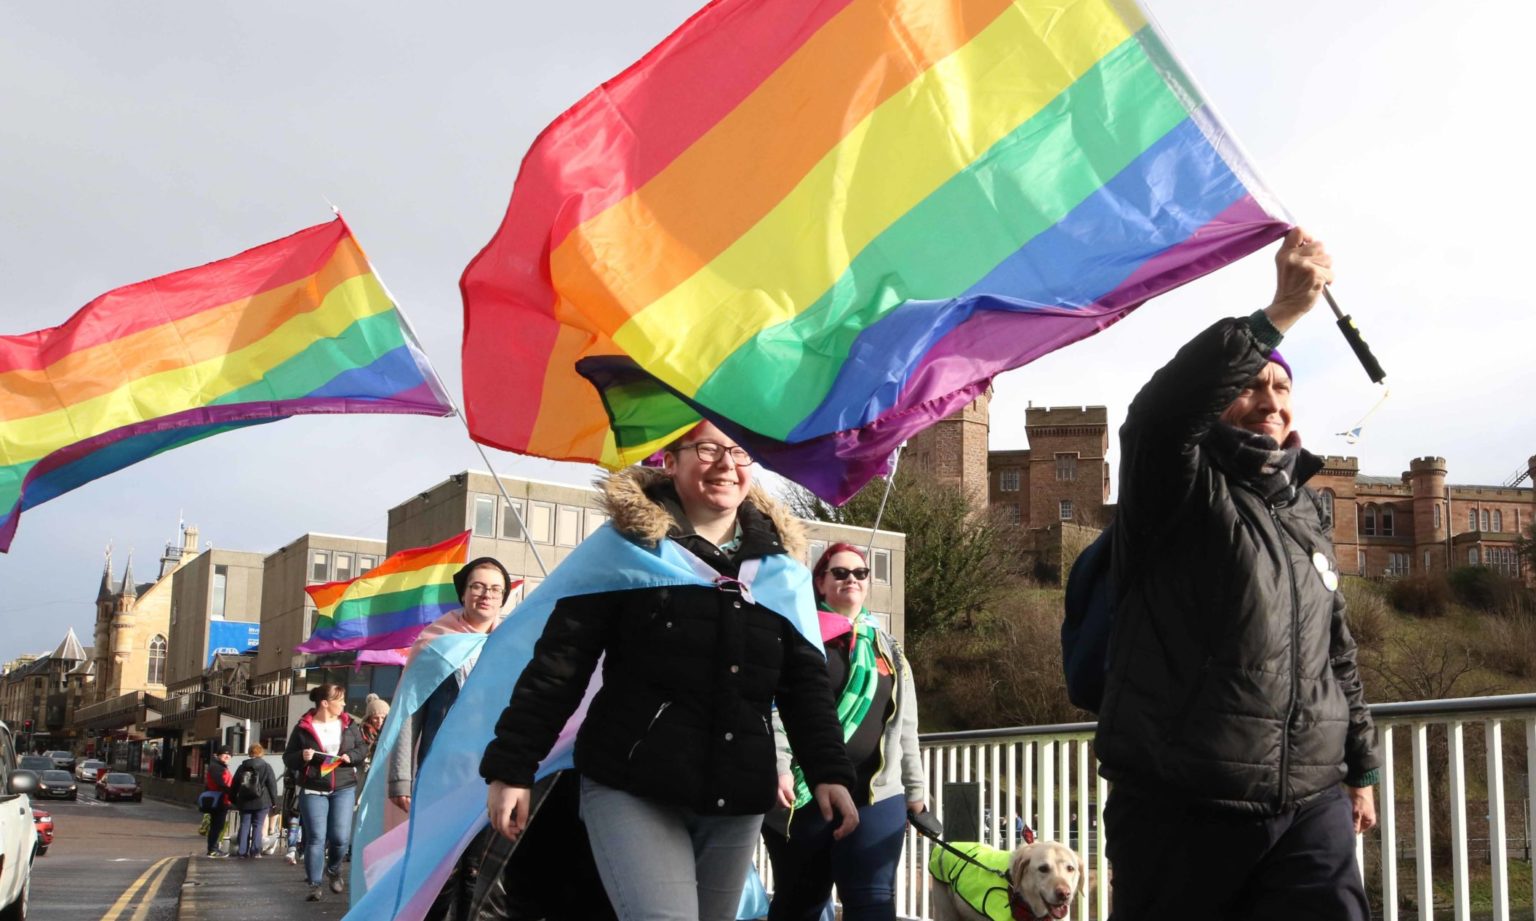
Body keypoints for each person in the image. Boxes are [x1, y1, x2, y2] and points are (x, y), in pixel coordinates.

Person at [1094, 228, 1381, 920]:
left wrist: (1361, 767)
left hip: (1309, 803)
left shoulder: (1307, 512)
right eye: (1252, 383)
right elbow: (1160, 416)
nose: (1271, 397)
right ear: (1221, 398)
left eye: (1283, 386)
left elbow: (1336, 654)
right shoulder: (1179, 485)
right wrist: (1275, 316)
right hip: (1183, 801)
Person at [481, 421, 860, 921]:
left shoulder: (780, 570)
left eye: (740, 452)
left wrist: (830, 771)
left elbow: (804, 684)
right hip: (632, 786)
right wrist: (512, 767)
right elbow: (560, 665)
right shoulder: (624, 551)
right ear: (672, 459)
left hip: (737, 797)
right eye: (707, 449)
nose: (726, 464)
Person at [762, 543, 926, 921]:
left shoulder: (890, 650)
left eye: (860, 572)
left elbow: (906, 728)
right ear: (820, 582)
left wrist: (916, 795)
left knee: (873, 903)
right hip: (803, 792)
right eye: (840, 572)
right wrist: (780, 766)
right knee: (801, 900)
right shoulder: (799, 636)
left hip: (877, 793)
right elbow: (778, 709)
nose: (851, 578)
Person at [372, 557, 512, 920]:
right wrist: (400, 776)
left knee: (478, 870)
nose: (486, 595)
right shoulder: (435, 643)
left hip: (492, 773)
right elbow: (409, 709)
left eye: (495, 589)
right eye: (478, 586)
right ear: (464, 593)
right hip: (443, 775)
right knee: (439, 869)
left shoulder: (514, 641)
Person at [283, 683, 368, 902]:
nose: (344, 704)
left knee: (340, 838)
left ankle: (333, 869)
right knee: (316, 838)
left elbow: (362, 749)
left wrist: (352, 756)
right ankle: (314, 884)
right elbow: (288, 756)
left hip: (343, 787)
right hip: (313, 787)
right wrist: (301, 756)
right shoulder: (303, 727)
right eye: (339, 700)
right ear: (325, 703)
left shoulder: (349, 724)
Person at [230, 743, 280, 858]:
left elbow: (234, 784)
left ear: (249, 752)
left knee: (244, 824)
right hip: (262, 802)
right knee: (258, 825)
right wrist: (274, 802)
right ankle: (255, 851)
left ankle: (242, 852)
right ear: (261, 753)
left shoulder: (242, 767)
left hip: (244, 801)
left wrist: (233, 799)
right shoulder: (266, 767)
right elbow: (272, 786)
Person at [203, 744, 235, 858]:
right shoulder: (217, 767)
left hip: (222, 800)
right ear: (219, 755)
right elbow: (221, 784)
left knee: (218, 826)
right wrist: (232, 793)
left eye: (229, 754)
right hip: (219, 801)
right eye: (224, 754)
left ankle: (214, 848)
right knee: (217, 826)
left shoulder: (220, 766)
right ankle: (212, 849)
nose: (227, 756)